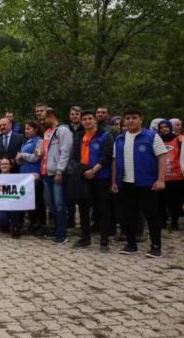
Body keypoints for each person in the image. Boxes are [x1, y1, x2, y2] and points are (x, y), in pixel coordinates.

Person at [112, 107, 167, 257]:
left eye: (134, 117)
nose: (130, 120)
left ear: (141, 119)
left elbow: (162, 157)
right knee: (128, 215)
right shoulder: (120, 138)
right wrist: (114, 182)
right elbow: (115, 161)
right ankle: (131, 244)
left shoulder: (151, 136)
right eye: (128, 118)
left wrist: (161, 179)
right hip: (126, 183)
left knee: (151, 215)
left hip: (147, 183)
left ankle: (156, 246)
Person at [71, 110, 113, 250]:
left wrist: (94, 170)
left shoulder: (105, 135)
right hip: (83, 177)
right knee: (83, 208)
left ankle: (104, 240)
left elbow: (106, 156)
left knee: (102, 208)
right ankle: (85, 238)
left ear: (95, 120)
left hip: (100, 177)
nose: (87, 121)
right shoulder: (80, 136)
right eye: (85, 119)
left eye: (90, 118)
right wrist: (80, 170)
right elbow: (74, 156)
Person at [41, 108, 74, 244]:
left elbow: (65, 151)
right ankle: (56, 229)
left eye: (44, 118)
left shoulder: (63, 131)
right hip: (46, 173)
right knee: (51, 204)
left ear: (51, 116)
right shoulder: (47, 133)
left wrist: (60, 170)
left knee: (60, 204)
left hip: (57, 173)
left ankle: (62, 233)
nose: (42, 121)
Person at [15, 121, 45, 235]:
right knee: (27, 200)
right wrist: (18, 159)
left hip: (34, 175)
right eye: (25, 129)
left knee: (37, 201)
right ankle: (32, 223)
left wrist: (23, 155)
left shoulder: (39, 141)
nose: (26, 131)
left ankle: (39, 224)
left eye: (29, 129)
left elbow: (37, 157)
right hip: (24, 175)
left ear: (35, 129)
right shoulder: (25, 141)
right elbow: (20, 159)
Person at [157, 119, 183, 230]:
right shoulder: (156, 140)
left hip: (176, 176)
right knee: (161, 201)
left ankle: (174, 221)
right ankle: (162, 221)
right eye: (162, 127)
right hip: (161, 176)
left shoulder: (179, 140)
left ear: (170, 127)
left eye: (166, 126)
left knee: (175, 201)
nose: (164, 129)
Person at [0, 157, 24, 237]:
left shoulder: (17, 178)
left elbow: (26, 185)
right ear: (0, 166)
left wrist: (33, 177)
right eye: (2, 164)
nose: (4, 166)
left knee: (16, 210)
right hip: (2, 207)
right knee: (1, 220)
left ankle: (15, 227)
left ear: (10, 166)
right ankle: (5, 225)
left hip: (14, 207)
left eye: (6, 164)